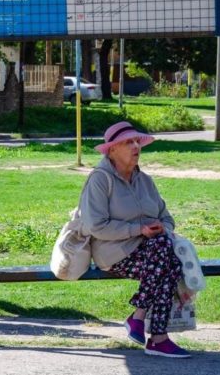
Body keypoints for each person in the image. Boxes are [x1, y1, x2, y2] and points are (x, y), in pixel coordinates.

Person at [79, 121, 190, 359]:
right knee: (168, 260)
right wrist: (137, 229)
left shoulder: (145, 181)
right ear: (112, 150)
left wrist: (162, 227)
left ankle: (140, 319)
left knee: (165, 255)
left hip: (151, 252)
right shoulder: (99, 180)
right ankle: (155, 335)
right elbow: (95, 226)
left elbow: (167, 218)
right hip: (113, 254)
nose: (136, 146)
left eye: (137, 141)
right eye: (128, 142)